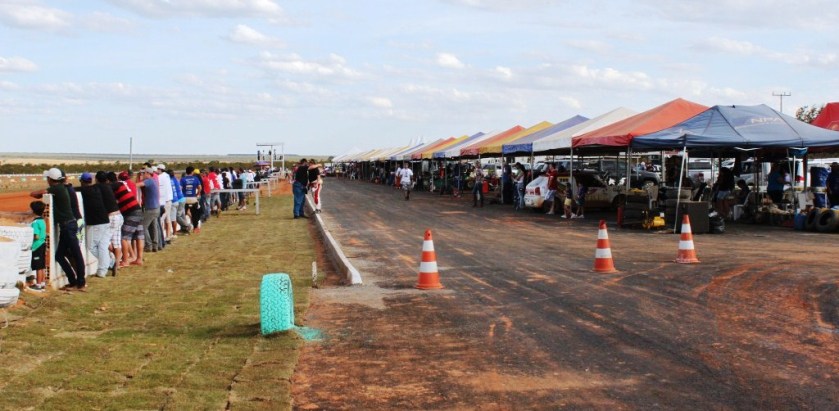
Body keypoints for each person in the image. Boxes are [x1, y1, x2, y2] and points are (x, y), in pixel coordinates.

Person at [31, 168, 86, 290]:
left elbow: (33, 194)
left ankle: (80, 283)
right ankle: (73, 281)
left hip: (68, 226)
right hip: (67, 225)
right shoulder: (61, 188)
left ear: (51, 179)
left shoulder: (56, 188)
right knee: (60, 255)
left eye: (47, 178)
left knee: (76, 254)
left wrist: (41, 193)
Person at [77, 172, 112, 278]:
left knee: (92, 246)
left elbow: (74, 190)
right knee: (102, 246)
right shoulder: (96, 189)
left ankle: (109, 263)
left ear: (82, 181)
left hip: (95, 223)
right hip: (105, 220)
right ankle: (103, 270)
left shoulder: (84, 190)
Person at [96, 171, 122, 276]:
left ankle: (112, 262)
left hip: (111, 217)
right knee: (116, 242)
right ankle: (117, 264)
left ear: (96, 179)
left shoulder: (98, 187)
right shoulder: (109, 186)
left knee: (104, 241)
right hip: (119, 216)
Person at [115, 170, 144, 266]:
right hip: (138, 209)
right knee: (139, 236)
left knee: (124, 237)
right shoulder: (132, 184)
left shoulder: (119, 186)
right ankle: (138, 258)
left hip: (130, 212)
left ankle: (126, 260)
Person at [137, 167, 161, 252]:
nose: (142, 175)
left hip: (150, 208)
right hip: (156, 207)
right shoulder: (153, 180)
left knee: (143, 226)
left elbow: (137, 185)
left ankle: (148, 245)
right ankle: (155, 245)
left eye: (143, 173)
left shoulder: (149, 181)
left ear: (148, 173)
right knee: (153, 227)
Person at [28, 201, 47, 291]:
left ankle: (38, 285)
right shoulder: (42, 220)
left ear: (33, 211)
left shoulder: (35, 222)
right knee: (42, 265)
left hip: (37, 246)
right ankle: (42, 283)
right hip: (42, 244)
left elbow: (36, 236)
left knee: (38, 266)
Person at [180, 166, 203, 233]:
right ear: (192, 172)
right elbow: (200, 187)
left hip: (185, 198)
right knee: (195, 214)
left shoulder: (183, 179)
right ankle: (195, 228)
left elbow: (180, 188)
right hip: (193, 198)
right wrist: (197, 194)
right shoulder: (195, 178)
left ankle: (184, 228)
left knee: (183, 214)